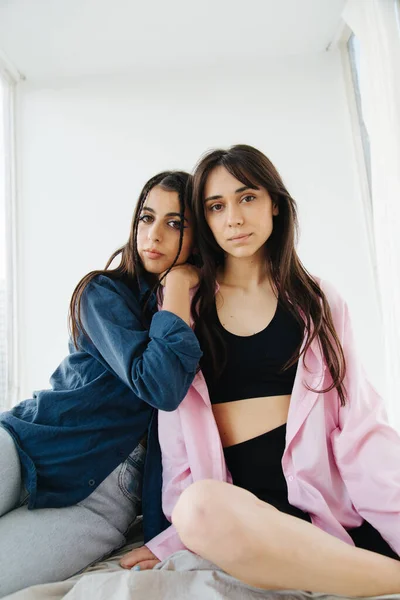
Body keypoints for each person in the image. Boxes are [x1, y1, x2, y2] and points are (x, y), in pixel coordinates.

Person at [122, 146, 400, 597]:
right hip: (236, 511)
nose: (233, 218)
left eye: (247, 198)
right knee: (197, 509)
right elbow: (175, 440)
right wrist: (174, 537)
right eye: (216, 206)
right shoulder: (185, 304)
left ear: (274, 203)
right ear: (205, 220)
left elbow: (361, 429)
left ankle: (369, 571)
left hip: (317, 505)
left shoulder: (318, 302)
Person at [0, 171, 202, 597]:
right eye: (146, 218)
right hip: (28, 446)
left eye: (175, 223)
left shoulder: (208, 322)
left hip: (101, 505)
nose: (154, 234)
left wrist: (181, 292)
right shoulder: (104, 293)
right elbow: (157, 384)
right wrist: (180, 282)